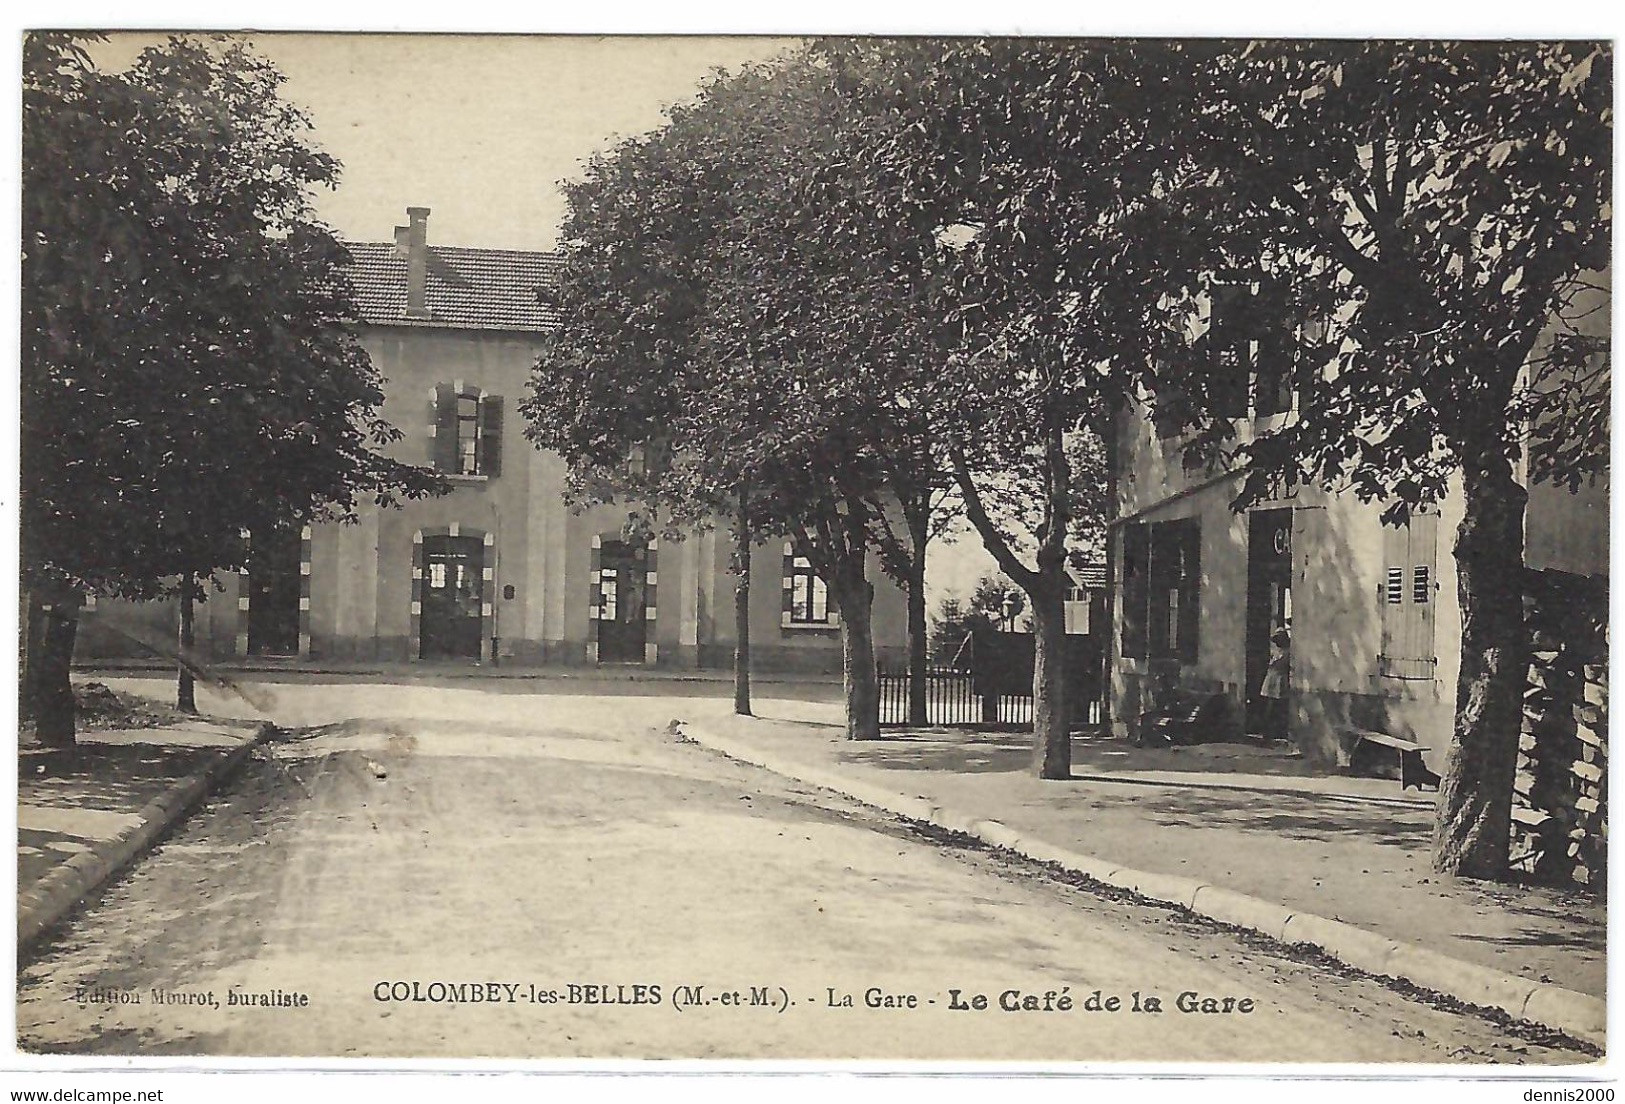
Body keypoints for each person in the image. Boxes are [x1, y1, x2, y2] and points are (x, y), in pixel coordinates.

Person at [1259, 623, 1290, 740]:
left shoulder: (1287, 652)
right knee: (1269, 705)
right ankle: (1267, 731)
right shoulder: (1276, 651)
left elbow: (1281, 664)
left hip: (1280, 679)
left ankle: (1277, 731)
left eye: (1280, 639)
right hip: (1271, 679)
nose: (1278, 641)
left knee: (1278, 706)